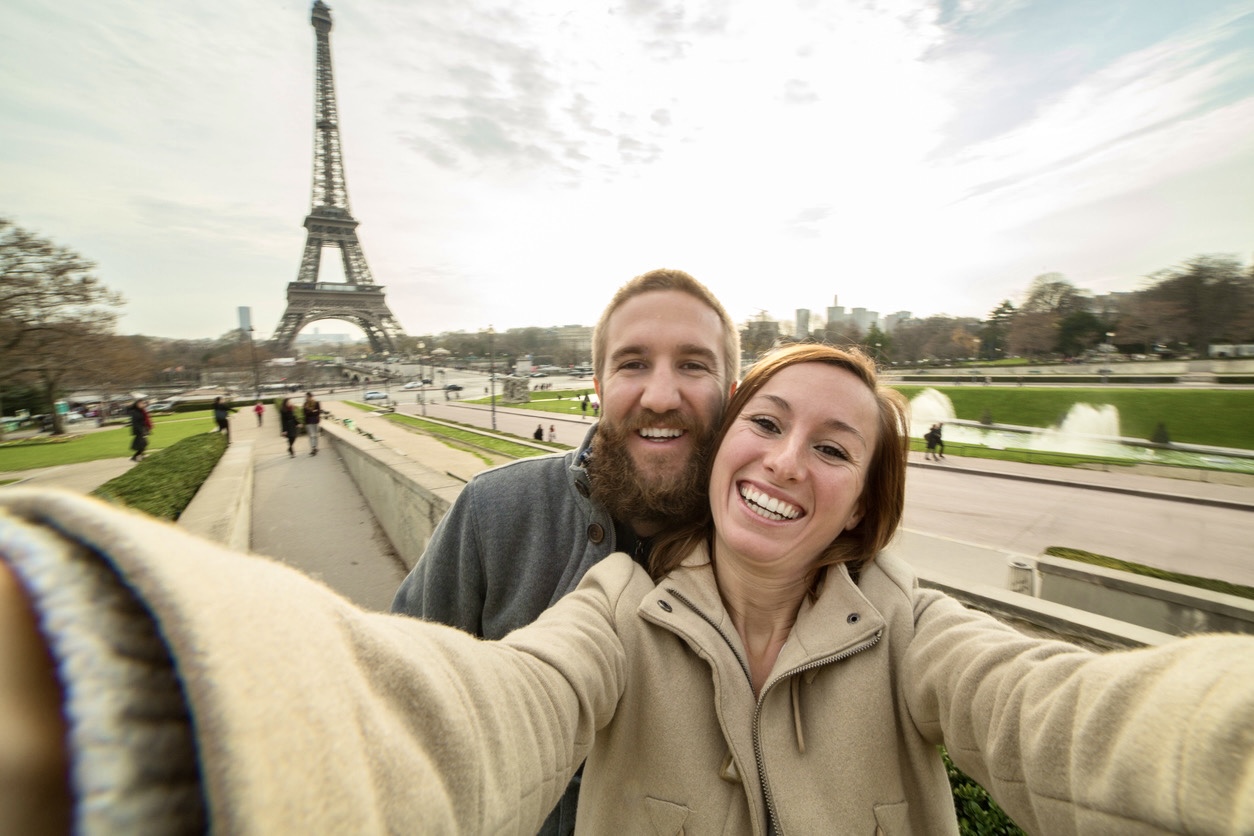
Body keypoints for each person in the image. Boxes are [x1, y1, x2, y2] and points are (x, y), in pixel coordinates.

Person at [2, 344, 1252, 834]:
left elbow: (1068, 718)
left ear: (864, 501)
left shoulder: (915, 626)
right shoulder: (612, 607)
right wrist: (152, 662)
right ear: (720, 453)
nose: (784, 458)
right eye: (765, 421)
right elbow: (477, 709)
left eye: (834, 445)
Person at [392, 267, 740, 834]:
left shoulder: (762, 548)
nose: (659, 395)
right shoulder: (492, 511)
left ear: (728, 396)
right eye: (632, 364)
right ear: (599, 387)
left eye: (693, 365)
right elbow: (403, 707)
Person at [127, 397, 152, 462]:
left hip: (142, 429)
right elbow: (135, 423)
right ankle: (136, 457)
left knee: (143, 443)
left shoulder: (141, 410)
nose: (142, 404)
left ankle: (137, 456)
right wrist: (141, 430)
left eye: (142, 403)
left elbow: (144, 419)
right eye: (141, 403)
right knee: (143, 443)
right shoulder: (135, 412)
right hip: (139, 430)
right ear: (137, 404)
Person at [303, 392, 323, 456]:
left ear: (311, 397)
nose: (307, 398)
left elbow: (318, 412)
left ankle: (316, 447)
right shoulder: (305, 404)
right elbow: (305, 413)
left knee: (316, 435)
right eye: (306, 397)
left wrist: (310, 411)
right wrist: (313, 411)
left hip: (315, 421)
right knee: (311, 435)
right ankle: (313, 448)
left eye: (308, 397)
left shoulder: (317, 403)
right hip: (308, 422)